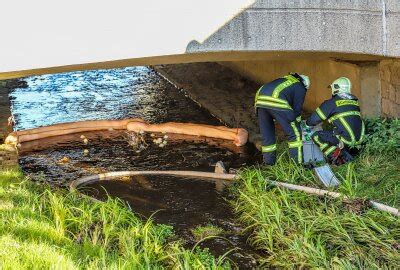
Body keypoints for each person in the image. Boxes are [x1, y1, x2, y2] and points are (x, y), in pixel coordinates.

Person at [306, 77, 365, 164]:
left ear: (335, 88)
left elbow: (313, 120)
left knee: (316, 136)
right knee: (334, 130)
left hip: (346, 141)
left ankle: (340, 159)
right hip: (359, 140)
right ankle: (351, 154)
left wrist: (306, 124)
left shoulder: (331, 103)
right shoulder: (354, 102)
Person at [255, 73, 310, 165]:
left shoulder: (285, 80)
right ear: (305, 84)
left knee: (267, 136)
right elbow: (296, 111)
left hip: (259, 101)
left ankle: (269, 164)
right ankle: (298, 166)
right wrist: (299, 125)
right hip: (277, 101)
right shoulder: (300, 86)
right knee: (295, 134)